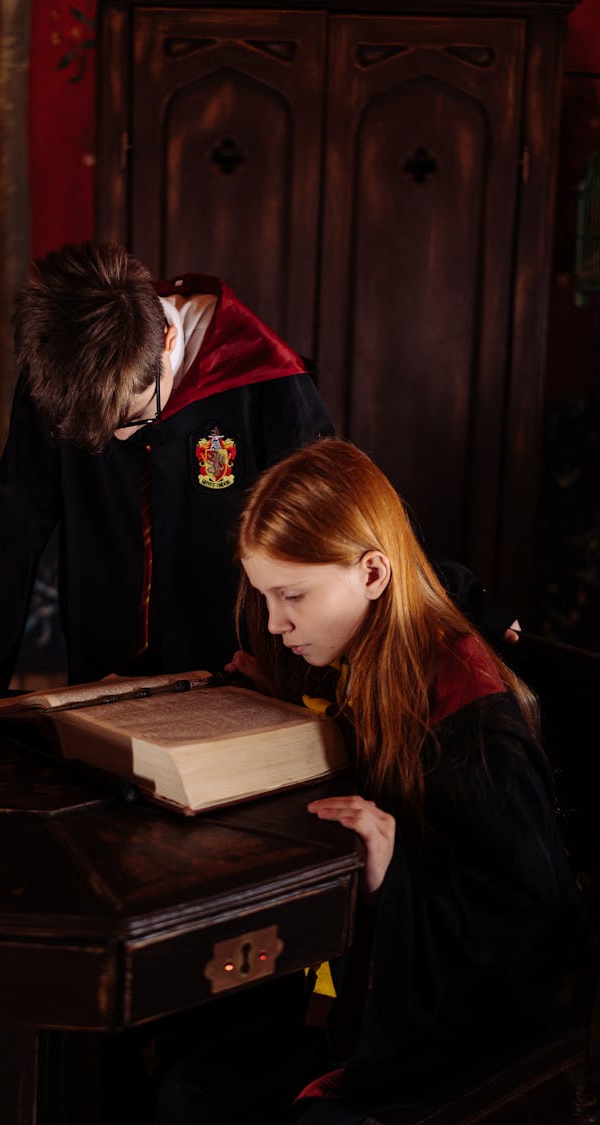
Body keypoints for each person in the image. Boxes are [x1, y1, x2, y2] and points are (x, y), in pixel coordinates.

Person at [156, 438, 578, 1124]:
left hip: (455, 1036)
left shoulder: (475, 728)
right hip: (365, 994)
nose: (274, 622)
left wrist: (394, 873)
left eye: (291, 595)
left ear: (374, 573)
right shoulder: (367, 656)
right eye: (264, 596)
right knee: (190, 1078)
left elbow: (535, 937)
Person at [0, 242, 335, 703]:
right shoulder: (59, 365)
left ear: (167, 340)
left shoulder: (267, 378)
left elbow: (326, 543)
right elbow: (15, 527)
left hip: (232, 658)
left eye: (133, 420)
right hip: (101, 656)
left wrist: (306, 684)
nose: (119, 443)